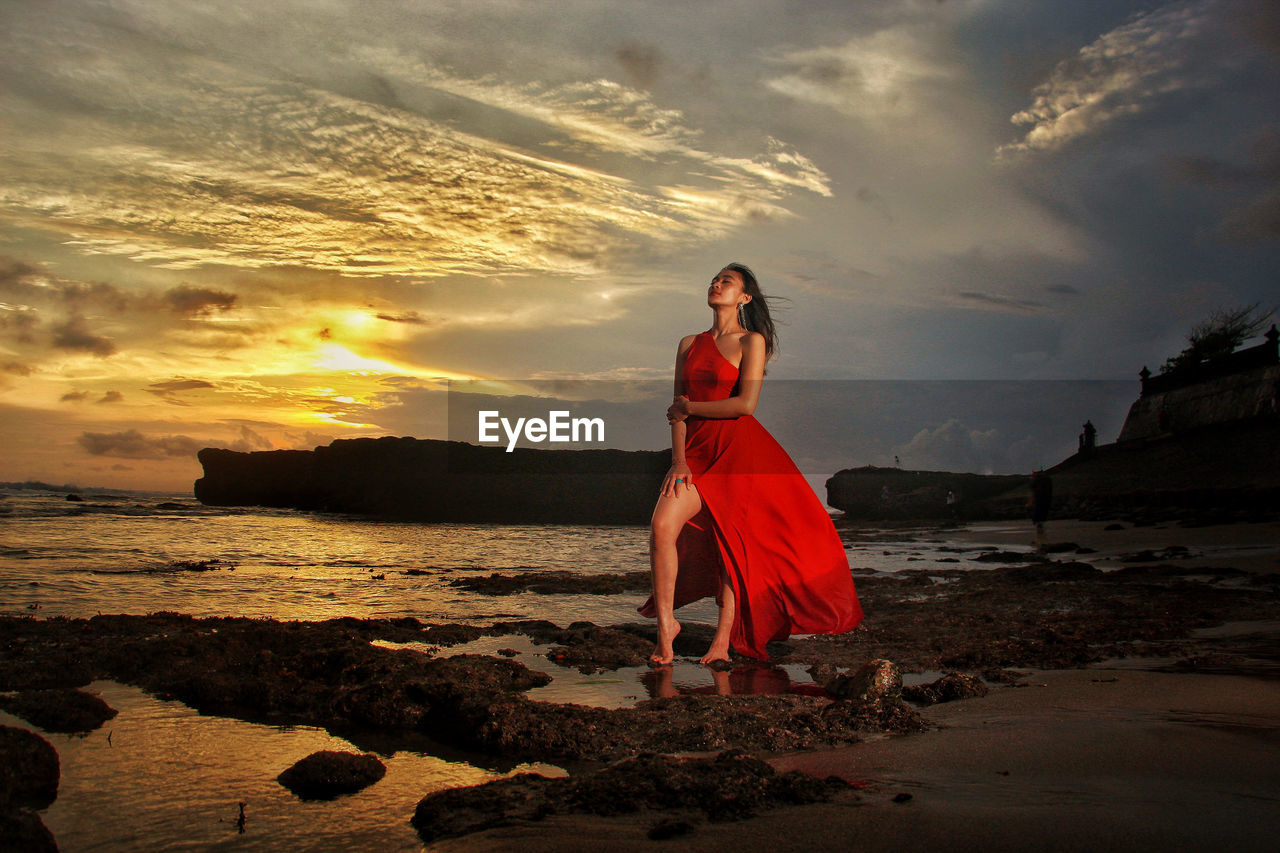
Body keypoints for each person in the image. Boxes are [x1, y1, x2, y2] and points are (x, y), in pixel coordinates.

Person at [639, 263, 864, 666]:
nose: (716, 283)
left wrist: (692, 407)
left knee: (730, 548)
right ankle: (666, 628)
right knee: (661, 527)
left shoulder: (752, 341)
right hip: (695, 455)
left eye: (727, 281)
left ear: (744, 297)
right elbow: (676, 411)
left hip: (739, 455)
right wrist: (678, 461)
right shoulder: (688, 343)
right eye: (714, 278)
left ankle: (722, 640)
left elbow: (745, 404)